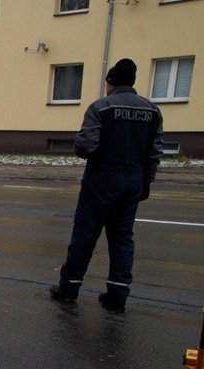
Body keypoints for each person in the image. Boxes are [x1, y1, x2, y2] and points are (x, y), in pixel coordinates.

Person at [50, 58, 163, 312]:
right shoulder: (152, 111)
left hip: (100, 182)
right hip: (132, 182)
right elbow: (154, 153)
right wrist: (146, 183)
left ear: (110, 82)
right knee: (123, 239)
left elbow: (85, 147)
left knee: (85, 235)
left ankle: (69, 288)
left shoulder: (100, 108)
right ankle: (118, 294)